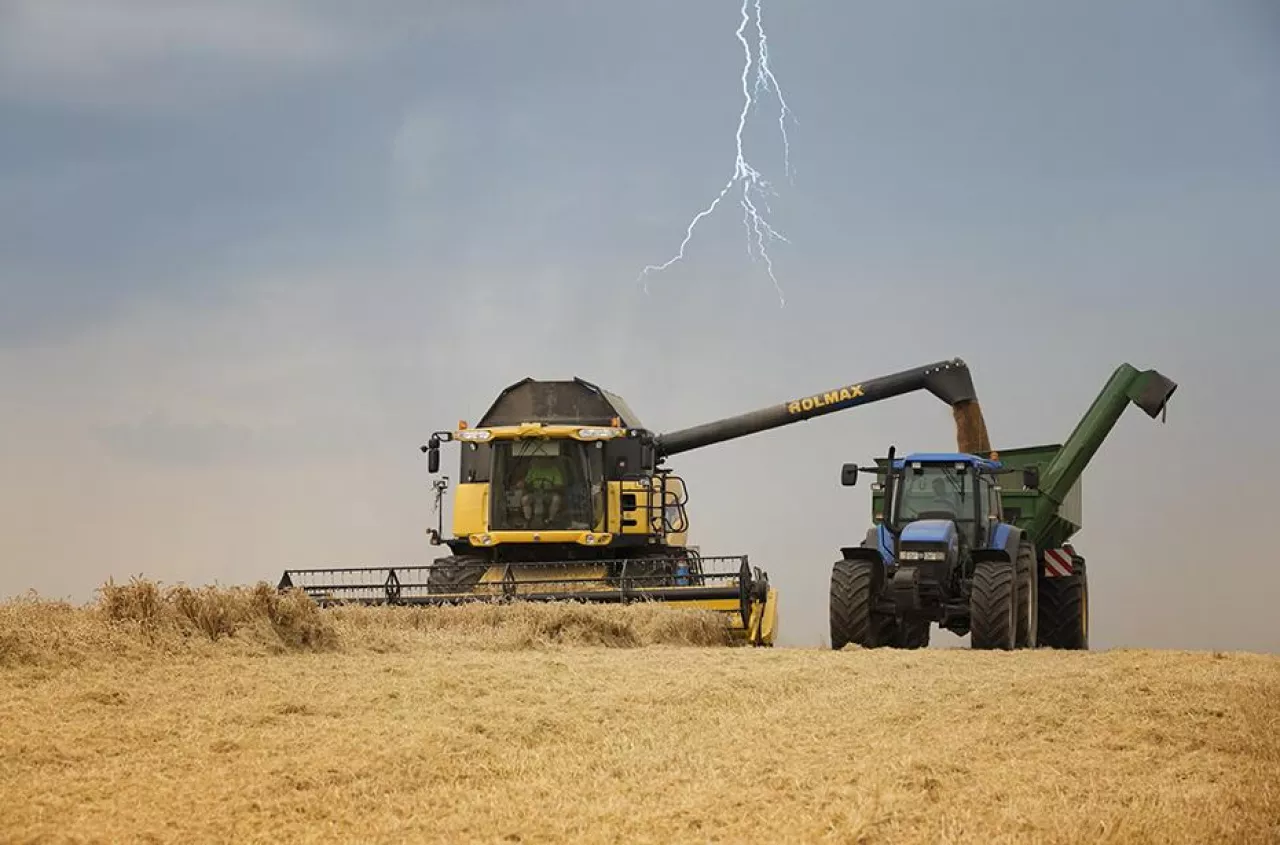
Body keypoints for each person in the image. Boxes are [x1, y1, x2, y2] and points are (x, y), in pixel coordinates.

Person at [520, 455, 566, 525]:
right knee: (525, 499)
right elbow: (526, 482)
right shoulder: (533, 469)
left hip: (549, 494)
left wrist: (547, 488)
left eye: (544, 458)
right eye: (540, 458)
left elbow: (559, 485)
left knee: (556, 499)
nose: (542, 460)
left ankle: (550, 520)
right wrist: (522, 484)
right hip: (535, 493)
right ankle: (527, 520)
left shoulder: (554, 470)